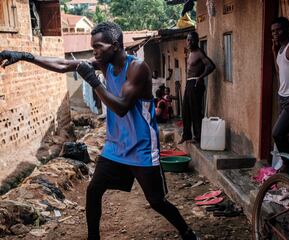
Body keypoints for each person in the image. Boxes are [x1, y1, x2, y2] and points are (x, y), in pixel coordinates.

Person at [0, 22, 199, 240]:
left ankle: (187, 232)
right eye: (93, 47)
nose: (94, 51)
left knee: (156, 201)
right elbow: (63, 64)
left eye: (98, 46)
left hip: (141, 146)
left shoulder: (137, 68)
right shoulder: (104, 64)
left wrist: (94, 82)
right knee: (94, 190)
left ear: (114, 45)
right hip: (115, 146)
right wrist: (26, 56)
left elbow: (122, 107)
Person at [271, 17, 289, 174]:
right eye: (273, 31)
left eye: (278, 30)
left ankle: (287, 165)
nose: (275, 33)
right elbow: (279, 72)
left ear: (287, 29)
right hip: (282, 97)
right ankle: (286, 163)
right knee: (284, 135)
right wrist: (274, 52)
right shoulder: (280, 49)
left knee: (277, 133)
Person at [178, 31, 215, 144]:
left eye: (191, 40)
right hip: (189, 84)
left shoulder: (199, 52)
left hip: (196, 83)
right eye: (187, 39)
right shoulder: (190, 53)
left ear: (196, 41)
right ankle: (186, 135)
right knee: (185, 110)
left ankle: (198, 137)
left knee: (195, 110)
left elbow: (211, 66)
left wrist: (201, 77)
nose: (188, 42)